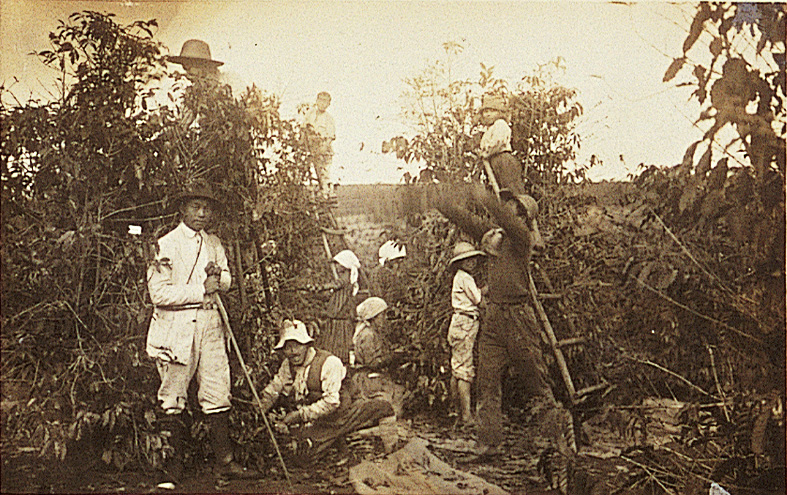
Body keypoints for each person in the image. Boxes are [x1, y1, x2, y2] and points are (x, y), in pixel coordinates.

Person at [434, 183, 575, 491]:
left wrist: (482, 196)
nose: (507, 209)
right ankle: (489, 442)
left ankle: (557, 445)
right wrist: (441, 201)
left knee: (537, 383)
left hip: (518, 318)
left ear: (523, 215)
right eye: (506, 205)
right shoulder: (494, 237)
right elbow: (467, 221)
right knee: (487, 381)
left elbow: (503, 217)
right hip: (495, 316)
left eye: (513, 207)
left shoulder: (521, 238)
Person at [146, 182, 257, 488]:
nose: (202, 213)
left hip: (210, 323)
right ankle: (171, 468)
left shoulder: (214, 243)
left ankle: (225, 464)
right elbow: (159, 293)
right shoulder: (165, 245)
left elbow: (227, 278)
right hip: (177, 327)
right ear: (183, 210)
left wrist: (218, 279)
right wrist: (200, 289)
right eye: (196, 207)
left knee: (217, 390)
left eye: (207, 208)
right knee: (173, 394)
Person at [258, 319, 395, 462]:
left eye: (297, 346)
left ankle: (391, 451)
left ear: (306, 345)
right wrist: (261, 406)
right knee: (303, 456)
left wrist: (299, 415)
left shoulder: (329, 363)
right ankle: (335, 441)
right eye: (288, 348)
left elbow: (332, 402)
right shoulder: (289, 365)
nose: (293, 352)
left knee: (384, 408)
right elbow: (275, 387)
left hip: (343, 411)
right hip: (320, 418)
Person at [446, 241, 487, 427]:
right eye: (466, 260)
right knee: (465, 372)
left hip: (458, 322)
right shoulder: (465, 278)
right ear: (459, 263)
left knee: (457, 368)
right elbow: (478, 300)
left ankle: (455, 411)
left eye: (473, 259)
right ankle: (466, 416)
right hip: (465, 323)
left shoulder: (460, 277)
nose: (471, 262)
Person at [350, 297, 407, 417]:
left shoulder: (373, 333)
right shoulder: (368, 335)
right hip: (367, 378)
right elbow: (372, 363)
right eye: (382, 315)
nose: (384, 318)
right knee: (391, 405)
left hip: (373, 376)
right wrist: (393, 357)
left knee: (400, 395)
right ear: (374, 317)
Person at [316, 249, 363, 364]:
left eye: (339, 264)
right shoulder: (345, 279)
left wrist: (321, 287)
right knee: (334, 348)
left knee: (338, 350)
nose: (337, 267)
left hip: (341, 322)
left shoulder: (346, 279)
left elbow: (338, 283)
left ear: (345, 265)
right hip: (337, 321)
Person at [478, 95, 525, 195]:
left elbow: (498, 141)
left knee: (510, 186)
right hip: (493, 160)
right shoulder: (489, 129)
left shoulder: (500, 124)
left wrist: (486, 152)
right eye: (486, 112)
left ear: (499, 113)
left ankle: (517, 205)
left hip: (502, 159)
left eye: (492, 111)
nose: (488, 114)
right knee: (498, 187)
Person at [303, 91, 336, 197]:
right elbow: (304, 129)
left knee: (323, 174)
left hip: (323, 149)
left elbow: (330, 137)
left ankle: (326, 194)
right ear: (316, 101)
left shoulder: (329, 119)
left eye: (325, 101)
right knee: (313, 172)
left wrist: (323, 148)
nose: (322, 104)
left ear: (329, 104)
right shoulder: (310, 114)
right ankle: (314, 194)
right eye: (320, 100)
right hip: (312, 148)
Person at [369, 240, 409, 307]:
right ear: (388, 260)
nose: (399, 264)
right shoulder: (382, 273)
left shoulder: (391, 272)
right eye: (397, 261)